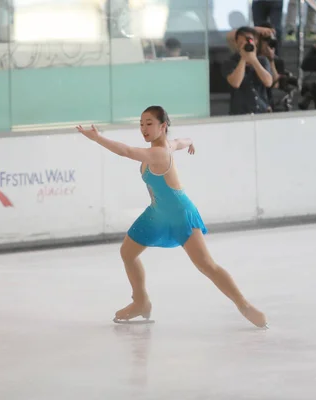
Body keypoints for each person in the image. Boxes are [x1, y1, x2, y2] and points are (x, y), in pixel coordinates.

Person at [75, 106, 267, 328]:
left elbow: (126, 151)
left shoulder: (160, 153)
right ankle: (140, 302)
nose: (143, 128)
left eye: (149, 123)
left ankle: (244, 305)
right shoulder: (167, 146)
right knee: (128, 253)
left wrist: (98, 138)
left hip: (179, 214)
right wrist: (190, 142)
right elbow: (180, 142)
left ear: (162, 126)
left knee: (206, 265)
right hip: (157, 213)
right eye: (141, 123)